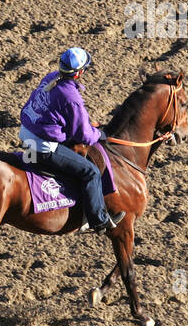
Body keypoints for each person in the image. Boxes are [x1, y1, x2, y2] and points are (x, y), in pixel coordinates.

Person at [19, 47, 125, 234]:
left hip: (27, 133)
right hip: (43, 146)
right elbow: (84, 135)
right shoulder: (72, 97)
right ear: (80, 72)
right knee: (91, 172)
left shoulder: (50, 77)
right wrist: (99, 134)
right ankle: (98, 221)